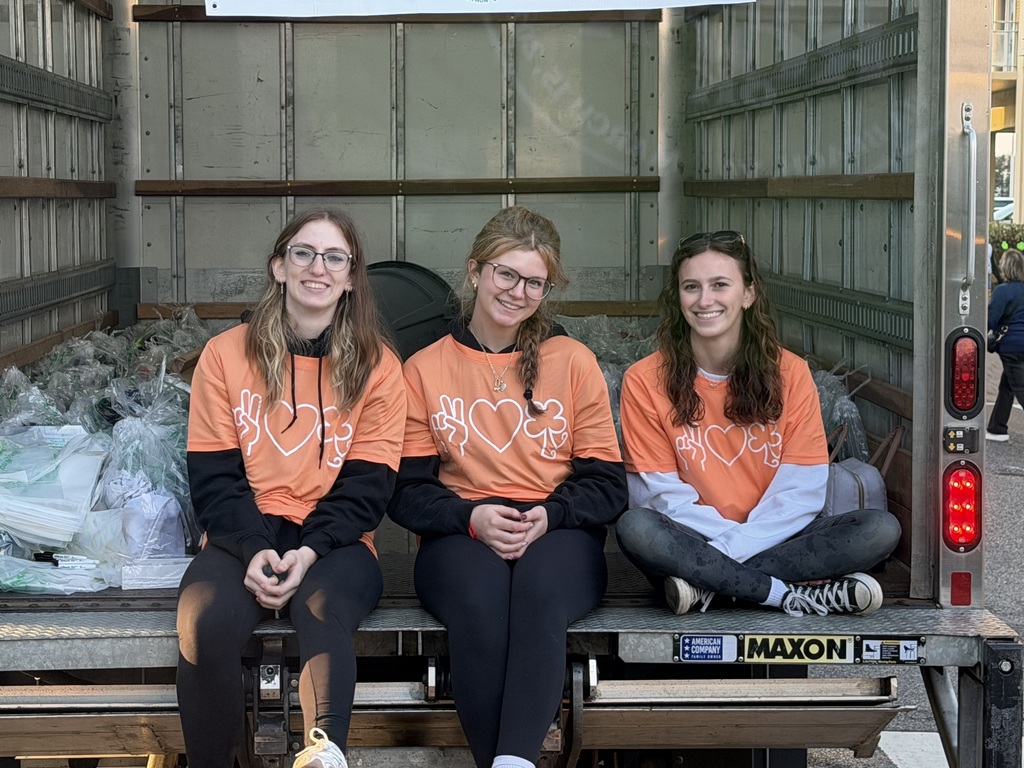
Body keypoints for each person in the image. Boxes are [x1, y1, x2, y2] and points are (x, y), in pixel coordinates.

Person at [387, 206, 627, 768]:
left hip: (557, 526)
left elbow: (607, 484)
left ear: (547, 288)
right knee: (481, 598)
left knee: (541, 593)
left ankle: (511, 762)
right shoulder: (423, 368)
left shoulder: (572, 362)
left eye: (534, 281)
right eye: (506, 274)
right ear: (475, 272)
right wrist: (469, 518)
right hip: (461, 530)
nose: (518, 291)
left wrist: (552, 514)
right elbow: (405, 491)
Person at [176, 208, 407, 768]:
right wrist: (255, 550)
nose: (317, 268)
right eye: (303, 253)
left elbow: (367, 489)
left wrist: (307, 552)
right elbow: (215, 478)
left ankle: (326, 755)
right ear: (279, 266)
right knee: (204, 621)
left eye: (335, 258)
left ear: (352, 277)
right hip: (242, 532)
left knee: (321, 607)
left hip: (336, 540)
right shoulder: (226, 355)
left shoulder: (378, 367)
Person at [614, 230, 901, 617]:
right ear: (677, 297)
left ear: (748, 294)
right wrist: (725, 547)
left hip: (766, 541)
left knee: (879, 529)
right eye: (691, 287)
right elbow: (658, 497)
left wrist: (730, 552)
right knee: (638, 529)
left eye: (720, 285)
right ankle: (786, 594)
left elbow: (801, 492)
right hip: (691, 542)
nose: (705, 300)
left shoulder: (791, 374)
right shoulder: (644, 379)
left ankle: (708, 589)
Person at [986, 248, 1024, 442]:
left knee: (1020, 387)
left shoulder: (1003, 291)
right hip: (1020, 347)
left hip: (1012, 347)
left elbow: (990, 319)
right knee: (1007, 387)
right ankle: (997, 428)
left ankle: (997, 428)